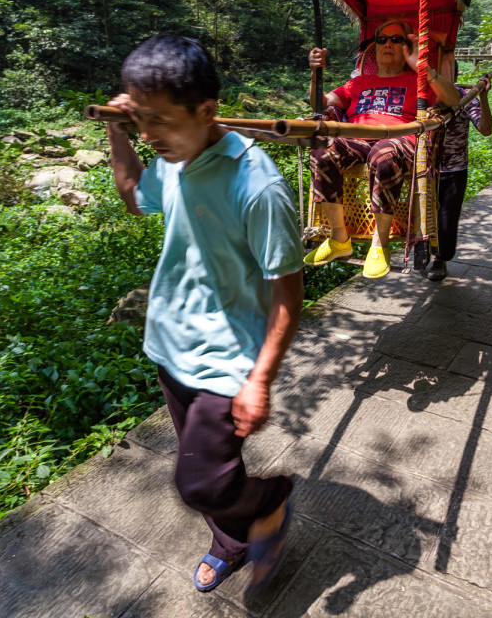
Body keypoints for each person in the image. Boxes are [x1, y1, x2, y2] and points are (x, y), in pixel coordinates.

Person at [105, 34, 304, 595]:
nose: (150, 136)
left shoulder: (257, 185)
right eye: (141, 120)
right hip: (171, 345)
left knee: (198, 482)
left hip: (228, 359)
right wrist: (116, 131)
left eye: (160, 122)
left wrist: (259, 379)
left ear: (208, 110)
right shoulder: (172, 157)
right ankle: (232, 541)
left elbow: (289, 293)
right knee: (212, 472)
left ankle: (272, 501)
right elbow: (131, 194)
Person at [303, 20, 460, 279]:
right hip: (356, 137)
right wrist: (315, 73)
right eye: (382, 39)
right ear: (374, 49)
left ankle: (380, 244)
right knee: (323, 149)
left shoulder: (418, 81)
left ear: (407, 47)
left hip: (398, 138)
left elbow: (453, 100)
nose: (388, 43)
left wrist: (420, 65)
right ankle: (339, 237)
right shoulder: (357, 82)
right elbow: (320, 103)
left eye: (396, 39)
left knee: (384, 154)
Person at [415, 70, 492, 281]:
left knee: (447, 220)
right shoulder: (420, 98)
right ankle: (421, 253)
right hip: (423, 170)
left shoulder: (465, 99)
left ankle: (440, 260)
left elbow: (486, 130)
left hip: (454, 171)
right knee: (420, 216)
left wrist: (483, 97)